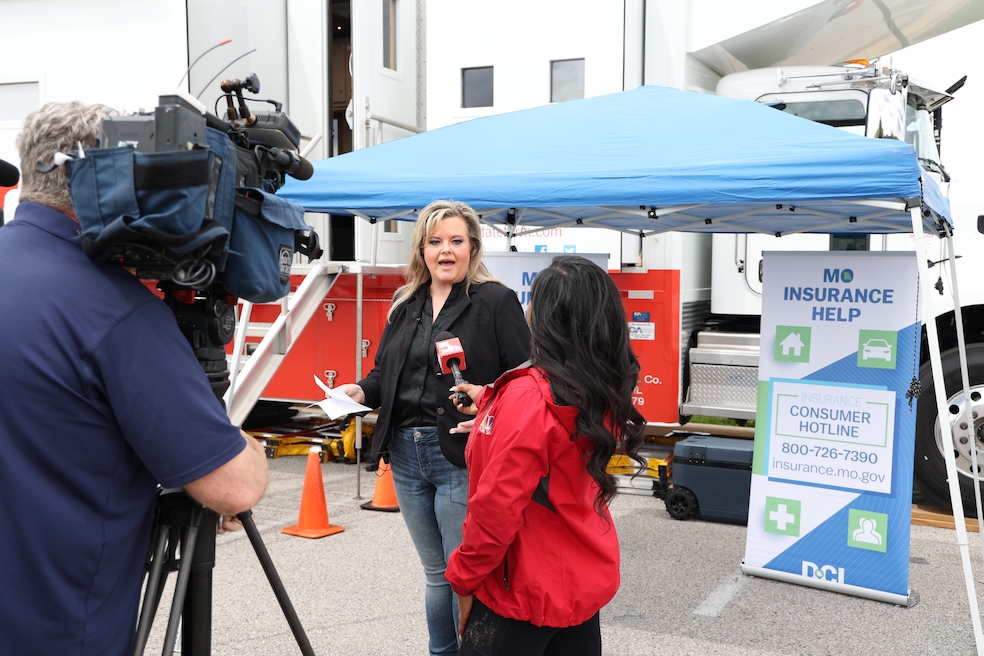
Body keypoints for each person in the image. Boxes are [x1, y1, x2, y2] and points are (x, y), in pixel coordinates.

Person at [0, 101, 269, 655]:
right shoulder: (112, 310)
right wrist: (245, 447)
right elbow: (231, 486)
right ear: (103, 175)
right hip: (61, 630)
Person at [335, 199, 531, 655]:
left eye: (456, 241)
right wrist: (360, 392)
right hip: (404, 455)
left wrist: (487, 406)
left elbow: (526, 381)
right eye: (435, 241)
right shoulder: (406, 305)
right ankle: (441, 651)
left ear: (473, 247)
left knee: (463, 570)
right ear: (421, 249)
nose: (446, 251)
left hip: (461, 456)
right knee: (435, 574)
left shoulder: (495, 302)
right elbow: (386, 373)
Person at [445, 255, 646, 656]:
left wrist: (463, 579)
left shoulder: (527, 398)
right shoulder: (601, 382)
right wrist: (490, 403)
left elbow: (495, 510)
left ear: (548, 316)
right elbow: (557, 429)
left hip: (521, 594)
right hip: (580, 585)